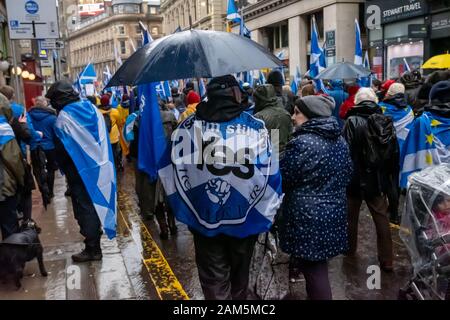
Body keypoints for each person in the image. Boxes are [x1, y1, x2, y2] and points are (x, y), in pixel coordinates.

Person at [159, 75, 283, 300]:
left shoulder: (184, 129)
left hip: (204, 223)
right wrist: (267, 214)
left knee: (214, 283)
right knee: (240, 281)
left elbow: (168, 173)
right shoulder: (259, 128)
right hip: (246, 223)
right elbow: (273, 175)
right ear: (236, 95)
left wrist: (185, 212)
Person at [279, 95, 352, 300]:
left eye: (297, 113)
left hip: (307, 217)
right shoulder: (339, 140)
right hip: (333, 213)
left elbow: (285, 178)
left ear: (310, 116)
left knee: (314, 271)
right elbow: (348, 173)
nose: (293, 118)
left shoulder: (302, 142)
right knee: (318, 267)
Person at [45, 81, 106, 262]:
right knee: (93, 205)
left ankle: (93, 248)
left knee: (84, 208)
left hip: (78, 171)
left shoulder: (64, 118)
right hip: (97, 166)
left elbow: (62, 151)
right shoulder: (91, 109)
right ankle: (94, 240)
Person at [343, 88, 398, 272]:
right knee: (381, 218)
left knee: (351, 218)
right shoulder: (386, 121)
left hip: (355, 178)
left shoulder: (351, 121)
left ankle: (349, 250)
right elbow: (393, 154)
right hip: (377, 179)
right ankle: (387, 259)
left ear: (357, 102)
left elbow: (346, 153)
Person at [0, 93, 25, 239]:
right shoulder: (3, 128)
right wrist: (22, 181)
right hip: (4, 187)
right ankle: (11, 260)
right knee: (9, 227)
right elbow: (13, 159)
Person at [155, 104, 178, 239]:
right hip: (170, 158)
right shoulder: (170, 115)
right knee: (170, 193)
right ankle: (172, 224)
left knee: (156, 199)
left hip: (154, 162)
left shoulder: (143, 118)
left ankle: (163, 228)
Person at [28, 96, 58, 198]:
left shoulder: (28, 116)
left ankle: (43, 190)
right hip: (50, 147)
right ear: (45, 104)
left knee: (37, 170)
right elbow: (56, 134)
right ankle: (50, 191)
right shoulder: (52, 117)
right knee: (50, 169)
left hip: (35, 147)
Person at [253, 84, 293, 156]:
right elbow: (290, 137)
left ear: (259, 99)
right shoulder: (286, 114)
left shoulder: (259, 117)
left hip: (267, 159)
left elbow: (258, 143)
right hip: (284, 156)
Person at [99, 94, 122, 172]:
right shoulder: (115, 111)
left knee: (106, 152)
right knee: (116, 151)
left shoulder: (98, 112)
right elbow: (119, 123)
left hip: (104, 136)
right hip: (114, 136)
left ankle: (109, 167)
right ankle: (117, 165)